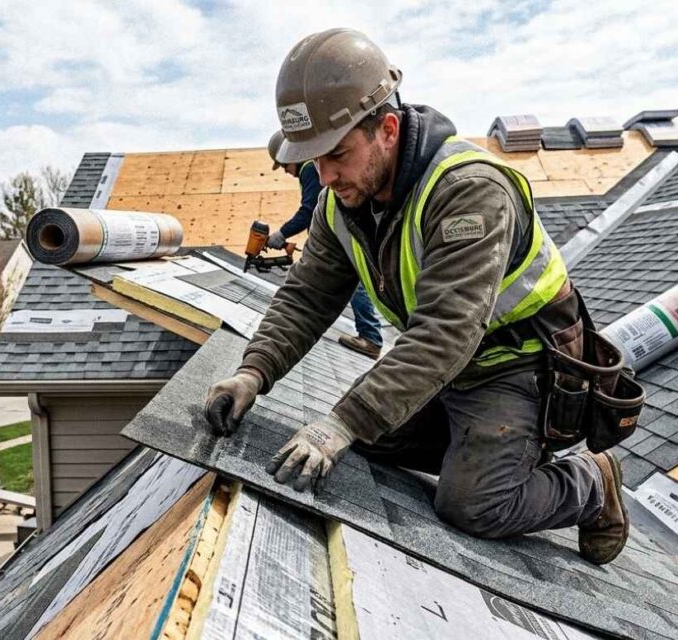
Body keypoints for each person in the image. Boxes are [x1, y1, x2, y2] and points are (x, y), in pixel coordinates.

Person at [205, 28, 627, 565]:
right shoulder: (342, 204)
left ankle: (593, 481)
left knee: (471, 504)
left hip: (520, 369)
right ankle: (469, 444)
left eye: (337, 154)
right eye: (314, 161)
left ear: (386, 129)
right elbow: (306, 297)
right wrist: (253, 372)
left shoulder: (469, 191)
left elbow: (447, 330)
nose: (326, 175)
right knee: (362, 440)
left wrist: (342, 423)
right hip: (449, 368)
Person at [266, 130, 384, 359]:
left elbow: (308, 211)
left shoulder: (310, 168)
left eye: (283, 166)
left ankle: (370, 338)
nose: (286, 172)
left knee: (349, 283)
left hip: (340, 236)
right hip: (342, 233)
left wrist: (282, 233)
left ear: (292, 156)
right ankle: (371, 336)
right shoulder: (313, 168)